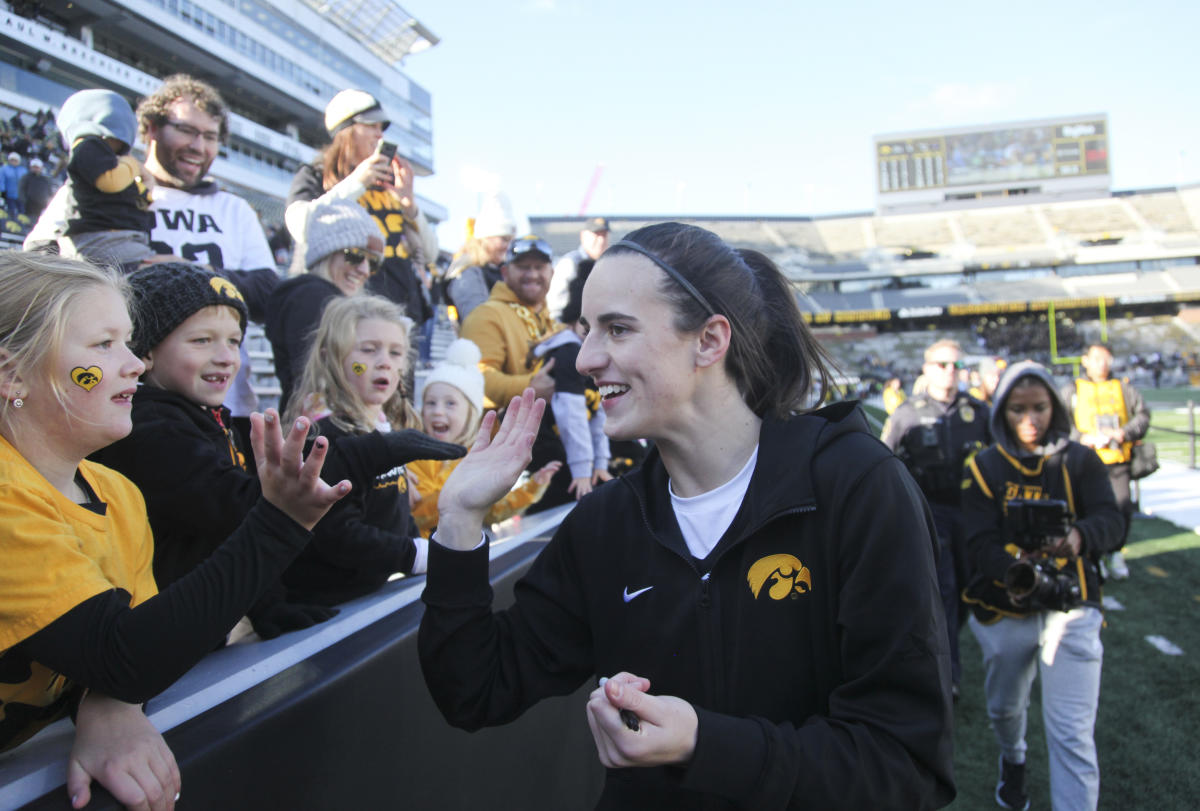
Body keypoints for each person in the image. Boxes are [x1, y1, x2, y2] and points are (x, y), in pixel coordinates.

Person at [419, 223, 955, 809]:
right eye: (584, 330)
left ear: (708, 341)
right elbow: (475, 689)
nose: (589, 358)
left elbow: (904, 767)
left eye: (617, 329)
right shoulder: (606, 524)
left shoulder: (856, 489)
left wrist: (705, 745)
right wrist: (460, 521)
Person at [0, 250, 347, 809]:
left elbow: (133, 645)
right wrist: (280, 524)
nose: (134, 363)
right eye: (103, 345)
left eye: (128, 342)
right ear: (13, 372)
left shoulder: (117, 493)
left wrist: (107, 702)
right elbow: (124, 655)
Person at [91, 261, 336, 639]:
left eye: (234, 341)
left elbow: (233, 537)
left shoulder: (209, 419)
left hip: (209, 622)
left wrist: (270, 606)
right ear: (146, 353)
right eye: (202, 340)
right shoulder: (146, 428)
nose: (225, 356)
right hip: (165, 638)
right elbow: (236, 509)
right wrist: (359, 457)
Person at [28, 75, 283, 428]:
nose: (199, 145)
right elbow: (36, 262)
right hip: (114, 401)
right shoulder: (99, 190)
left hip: (223, 409)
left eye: (210, 137)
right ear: (150, 129)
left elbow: (268, 293)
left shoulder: (235, 209)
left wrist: (192, 274)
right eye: (186, 130)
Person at [961, 360, 1123, 811]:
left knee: (1070, 731)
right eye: (1017, 410)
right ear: (1000, 410)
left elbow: (1112, 521)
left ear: (1055, 406)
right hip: (1005, 602)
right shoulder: (985, 467)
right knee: (1004, 710)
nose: (1029, 421)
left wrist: (1078, 537)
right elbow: (977, 543)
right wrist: (1016, 569)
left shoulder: (1080, 460)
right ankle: (1013, 759)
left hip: (1071, 602)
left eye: (1039, 408)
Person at [280, 295, 464, 605]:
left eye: (396, 353)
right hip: (325, 607)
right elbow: (336, 534)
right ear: (331, 358)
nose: (385, 362)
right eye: (368, 350)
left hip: (368, 596)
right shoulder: (324, 436)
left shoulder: (382, 426)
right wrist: (414, 555)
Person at [285, 88, 438, 351]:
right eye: (371, 126)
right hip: (347, 318)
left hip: (398, 318)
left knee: (395, 389)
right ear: (346, 131)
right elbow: (301, 226)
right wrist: (357, 182)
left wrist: (409, 204)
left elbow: (431, 253)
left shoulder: (391, 184)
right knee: (355, 381)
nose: (380, 135)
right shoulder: (317, 174)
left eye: (382, 128)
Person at [881, 338, 990, 695]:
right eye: (942, 364)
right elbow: (884, 460)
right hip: (929, 513)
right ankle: (949, 677)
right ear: (927, 369)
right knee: (942, 593)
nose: (950, 371)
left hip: (973, 513)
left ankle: (947, 657)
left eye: (955, 365)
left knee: (968, 590)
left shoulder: (977, 411)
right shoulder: (908, 412)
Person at [459, 234, 572, 512]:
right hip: (508, 446)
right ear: (505, 272)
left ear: (551, 273)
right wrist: (532, 386)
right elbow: (476, 379)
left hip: (555, 439)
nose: (533, 274)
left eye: (539, 267)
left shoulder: (556, 327)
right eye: (524, 267)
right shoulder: (487, 315)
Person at [409, 337, 561, 537]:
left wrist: (533, 487)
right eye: (430, 403)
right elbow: (417, 515)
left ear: (470, 413)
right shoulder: (413, 456)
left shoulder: (476, 456)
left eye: (450, 404)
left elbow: (493, 511)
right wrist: (462, 497)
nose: (437, 411)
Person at [266, 200, 384, 412]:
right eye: (355, 255)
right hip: (321, 431)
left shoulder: (319, 298)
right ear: (326, 253)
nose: (365, 270)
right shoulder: (313, 298)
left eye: (373, 262)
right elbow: (321, 379)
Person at [1060, 343, 1149, 580]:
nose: (1102, 363)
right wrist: (1081, 438)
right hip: (1083, 463)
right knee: (1083, 510)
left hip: (1117, 461)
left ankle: (1115, 551)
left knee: (1121, 508)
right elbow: (1060, 423)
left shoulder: (1123, 388)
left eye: (1107, 358)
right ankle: (1093, 555)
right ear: (1085, 360)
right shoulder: (1072, 390)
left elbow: (1142, 416)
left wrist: (1123, 434)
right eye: (1097, 358)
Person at [55, 89, 155, 269]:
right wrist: (131, 164)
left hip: (117, 241)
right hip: (102, 241)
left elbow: (140, 202)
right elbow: (110, 182)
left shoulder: (114, 163)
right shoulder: (89, 145)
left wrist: (147, 184)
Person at [443, 193, 516, 323]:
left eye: (511, 241)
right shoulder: (467, 271)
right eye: (504, 239)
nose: (508, 246)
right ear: (485, 238)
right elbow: (478, 319)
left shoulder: (501, 270)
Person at [547, 216, 610, 322]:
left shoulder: (610, 265)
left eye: (604, 235)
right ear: (583, 236)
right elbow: (555, 307)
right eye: (596, 235)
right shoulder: (570, 262)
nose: (600, 240)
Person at [18, 156, 53, 221]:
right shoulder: (26, 177)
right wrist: (24, 200)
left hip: (40, 205)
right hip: (29, 205)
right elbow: (21, 189)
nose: (35, 169)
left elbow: (49, 192)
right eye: (34, 167)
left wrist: (47, 202)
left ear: (41, 168)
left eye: (37, 167)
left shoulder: (45, 179)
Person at [0, 151, 27, 218]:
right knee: (10, 212)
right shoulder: (4, 169)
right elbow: (1, 180)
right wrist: (3, 191)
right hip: (9, 195)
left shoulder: (23, 170)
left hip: (20, 196)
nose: (13, 162)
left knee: (21, 213)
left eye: (15, 160)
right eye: (12, 160)